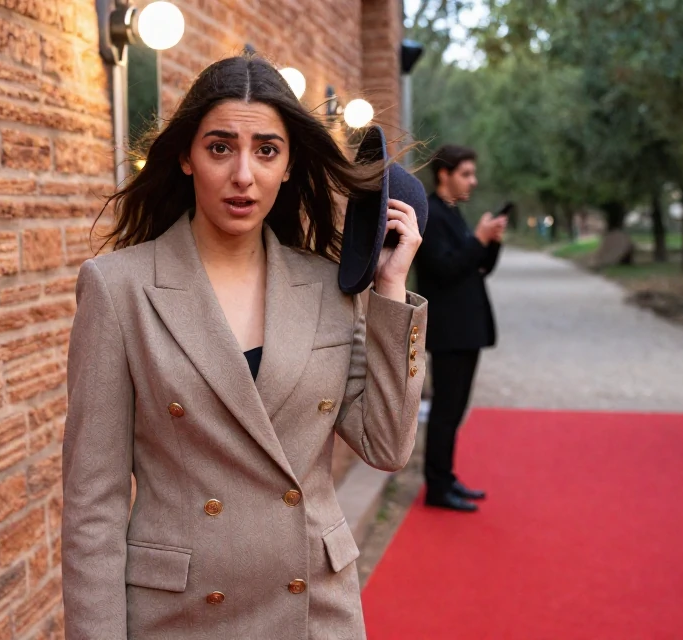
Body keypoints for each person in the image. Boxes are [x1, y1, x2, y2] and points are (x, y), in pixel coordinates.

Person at [61, 55, 428, 639]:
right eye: (220, 148)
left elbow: (386, 445)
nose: (243, 175)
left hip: (314, 611)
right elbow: (93, 506)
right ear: (186, 157)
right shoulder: (119, 288)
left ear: (288, 164)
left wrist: (389, 288)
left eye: (266, 150)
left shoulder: (328, 288)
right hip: (181, 618)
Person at [414, 145, 507, 512]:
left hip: (466, 329)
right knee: (445, 411)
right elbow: (444, 269)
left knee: (454, 411)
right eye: (466, 174)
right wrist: (478, 240)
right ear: (444, 174)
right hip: (449, 331)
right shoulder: (431, 214)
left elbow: (477, 267)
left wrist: (490, 243)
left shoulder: (452, 213)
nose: (473, 180)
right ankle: (437, 488)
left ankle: (446, 477)